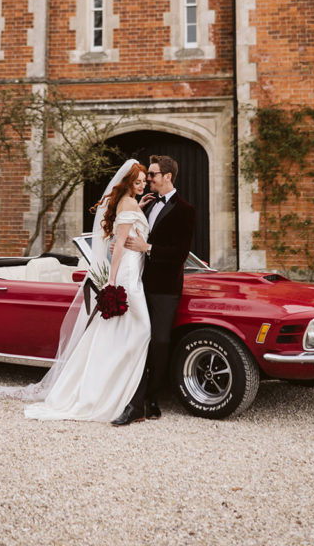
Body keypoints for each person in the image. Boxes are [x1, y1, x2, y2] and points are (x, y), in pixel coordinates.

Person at [0, 159, 152, 422]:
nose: (142, 185)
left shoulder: (130, 204)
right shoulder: (127, 204)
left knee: (119, 334)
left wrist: (138, 210)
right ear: (129, 182)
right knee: (141, 331)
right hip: (127, 276)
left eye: (144, 181)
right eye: (138, 181)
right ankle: (115, 392)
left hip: (135, 271)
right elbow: (118, 246)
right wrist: (112, 280)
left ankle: (119, 389)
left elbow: (127, 229)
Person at [111, 154, 196, 426]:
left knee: (159, 342)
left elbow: (181, 253)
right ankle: (136, 402)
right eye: (148, 175)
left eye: (152, 175)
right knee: (138, 341)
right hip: (137, 283)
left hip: (165, 288)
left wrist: (148, 248)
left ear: (167, 177)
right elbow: (130, 234)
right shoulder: (144, 206)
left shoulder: (185, 210)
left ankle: (151, 397)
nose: (148, 179)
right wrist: (118, 245)